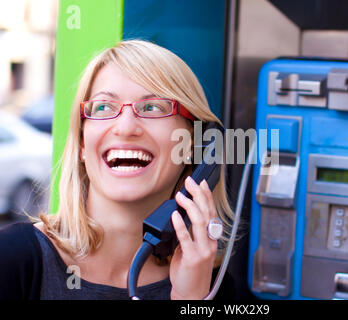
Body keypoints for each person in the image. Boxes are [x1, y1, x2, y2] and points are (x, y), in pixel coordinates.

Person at [0, 40, 235, 300]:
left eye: (153, 107)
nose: (125, 128)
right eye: (103, 108)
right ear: (81, 143)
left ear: (194, 144)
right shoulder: (13, 260)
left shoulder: (213, 286)